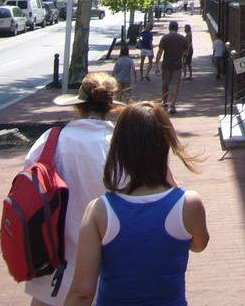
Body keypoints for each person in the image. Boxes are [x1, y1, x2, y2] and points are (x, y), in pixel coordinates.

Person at [63, 101, 209, 306]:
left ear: (119, 148)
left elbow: (82, 293)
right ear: (165, 145)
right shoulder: (189, 204)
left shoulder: (99, 210)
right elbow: (198, 245)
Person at [23, 72, 122, 306]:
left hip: (51, 261)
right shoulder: (121, 143)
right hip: (108, 266)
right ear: (111, 106)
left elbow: (26, 187)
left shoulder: (51, 139)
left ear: (78, 106)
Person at [155, 20, 188, 113]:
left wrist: (156, 63)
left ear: (169, 27)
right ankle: (172, 105)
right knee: (175, 85)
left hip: (166, 64)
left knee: (165, 84)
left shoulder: (165, 38)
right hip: (177, 64)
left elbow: (160, 51)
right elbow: (186, 50)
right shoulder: (181, 38)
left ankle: (165, 103)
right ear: (177, 28)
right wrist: (182, 56)